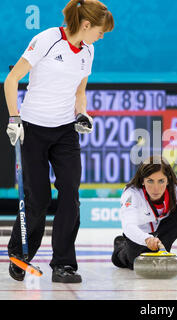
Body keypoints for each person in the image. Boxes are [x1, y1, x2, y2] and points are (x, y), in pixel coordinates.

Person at [5, 0, 114, 283]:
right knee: (38, 198)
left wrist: (82, 114)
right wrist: (13, 118)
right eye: (100, 31)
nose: (102, 38)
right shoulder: (47, 40)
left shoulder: (88, 50)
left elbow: (80, 91)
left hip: (65, 131)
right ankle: (20, 254)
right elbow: (12, 78)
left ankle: (64, 264)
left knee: (70, 197)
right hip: (33, 128)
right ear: (87, 25)